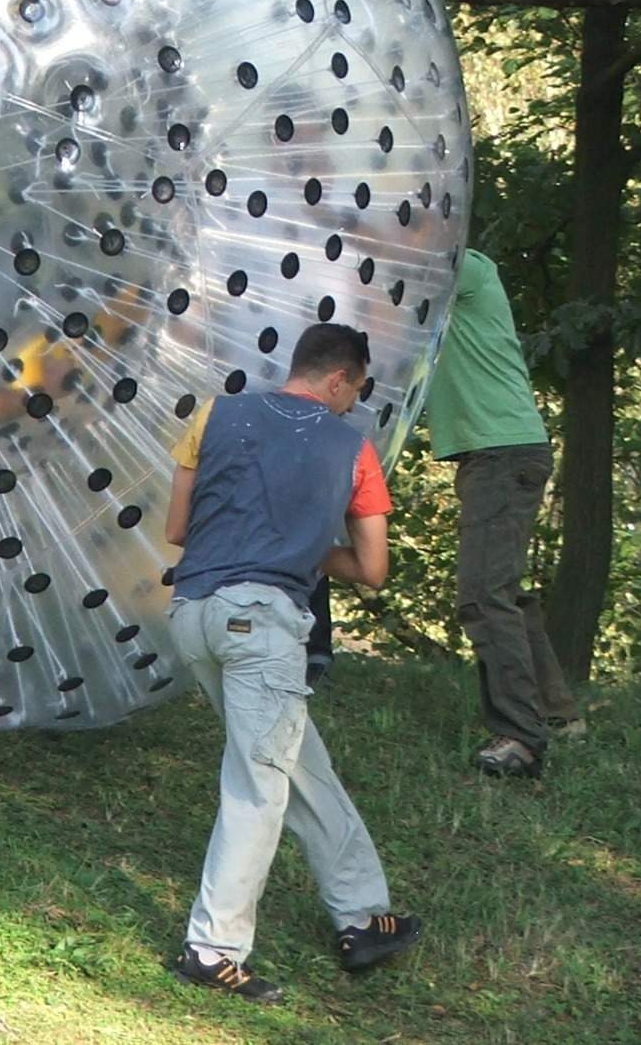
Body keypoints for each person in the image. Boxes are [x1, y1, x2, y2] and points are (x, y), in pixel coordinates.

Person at [162, 323, 422, 1005]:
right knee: (259, 787)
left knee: (300, 764)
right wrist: (299, 551)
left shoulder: (216, 413)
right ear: (338, 379)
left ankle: (364, 915)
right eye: (356, 390)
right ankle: (210, 947)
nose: (354, 404)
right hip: (263, 626)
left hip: (194, 613)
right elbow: (372, 568)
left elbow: (177, 530)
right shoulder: (353, 448)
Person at [422, 248, 583, 780]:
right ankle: (557, 713)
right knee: (504, 592)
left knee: (484, 597)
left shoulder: (464, 265)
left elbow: (395, 266)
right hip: (499, 453)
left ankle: (523, 739)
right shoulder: (439, 276)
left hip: (503, 454)